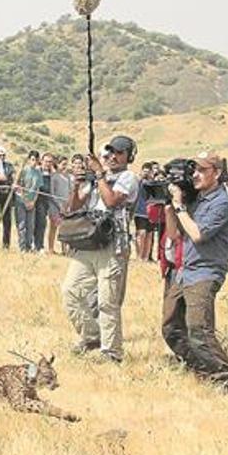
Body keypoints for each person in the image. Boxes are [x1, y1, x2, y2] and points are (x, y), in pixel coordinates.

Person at [61, 135, 139, 364]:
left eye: (119, 153)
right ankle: (91, 335)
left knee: (107, 301)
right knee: (70, 291)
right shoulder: (96, 179)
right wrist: (77, 184)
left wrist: (99, 175)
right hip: (87, 242)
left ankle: (111, 352)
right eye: (109, 153)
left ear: (129, 156)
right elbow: (72, 207)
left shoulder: (128, 177)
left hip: (113, 245)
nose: (112, 157)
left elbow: (112, 201)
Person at [162, 152, 228, 389]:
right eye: (194, 170)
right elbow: (175, 235)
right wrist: (170, 209)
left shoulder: (222, 203)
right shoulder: (196, 199)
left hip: (205, 272)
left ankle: (223, 378)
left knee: (199, 329)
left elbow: (198, 234)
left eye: (202, 170)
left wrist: (180, 206)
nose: (195, 175)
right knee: (171, 328)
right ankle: (200, 369)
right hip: (184, 271)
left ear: (216, 173)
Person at [14, 151, 42, 252]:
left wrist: (33, 202)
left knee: (31, 225)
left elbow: (37, 189)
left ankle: (28, 246)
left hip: (32, 202)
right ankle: (22, 247)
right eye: (32, 160)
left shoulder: (38, 172)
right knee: (22, 225)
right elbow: (18, 186)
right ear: (29, 159)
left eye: (36, 160)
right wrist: (25, 201)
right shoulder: (23, 170)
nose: (34, 162)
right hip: (21, 201)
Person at [48, 155, 71, 254]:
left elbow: (70, 191)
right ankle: (50, 248)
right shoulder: (54, 176)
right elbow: (52, 193)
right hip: (55, 205)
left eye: (66, 164)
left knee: (65, 228)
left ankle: (64, 249)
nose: (65, 166)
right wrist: (59, 205)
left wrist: (68, 204)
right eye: (63, 164)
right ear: (57, 164)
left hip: (66, 206)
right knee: (53, 227)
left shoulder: (68, 177)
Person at [134, 162, 154, 261]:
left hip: (151, 212)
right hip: (140, 211)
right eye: (144, 171)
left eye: (148, 172)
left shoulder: (152, 182)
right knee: (141, 233)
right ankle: (139, 256)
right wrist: (141, 178)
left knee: (149, 234)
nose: (146, 174)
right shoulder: (138, 181)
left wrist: (152, 178)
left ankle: (146, 257)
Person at [0, 147, 15, 249]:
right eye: (0, 155)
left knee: (7, 220)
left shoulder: (9, 166)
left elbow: (13, 177)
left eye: (3, 155)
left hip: (7, 194)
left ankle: (6, 243)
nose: (2, 157)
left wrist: (13, 183)